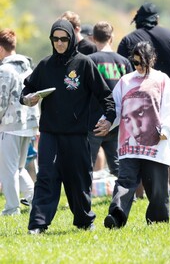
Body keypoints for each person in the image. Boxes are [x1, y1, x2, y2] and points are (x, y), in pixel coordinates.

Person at [20, 19, 116, 234]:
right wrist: (28, 99)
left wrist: (109, 119)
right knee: (46, 178)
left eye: (64, 39)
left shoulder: (84, 63)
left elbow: (105, 95)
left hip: (76, 134)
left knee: (78, 179)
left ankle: (84, 221)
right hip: (50, 134)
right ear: (51, 40)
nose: (60, 43)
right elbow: (25, 91)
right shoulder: (45, 65)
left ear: (71, 39)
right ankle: (37, 225)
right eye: (56, 39)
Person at [117, 2, 170, 195]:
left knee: (137, 146)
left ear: (137, 20)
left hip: (137, 104)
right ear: (157, 19)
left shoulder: (129, 40)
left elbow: (121, 71)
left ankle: (139, 193)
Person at [104, 41, 170, 229]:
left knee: (157, 188)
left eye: (142, 63)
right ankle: (116, 218)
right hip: (129, 146)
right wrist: (107, 122)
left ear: (151, 60)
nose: (138, 67)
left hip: (156, 145)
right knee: (125, 183)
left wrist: (166, 130)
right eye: (135, 62)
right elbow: (116, 108)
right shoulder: (125, 81)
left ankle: (158, 221)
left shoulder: (162, 80)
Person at [0, 28, 39, 216]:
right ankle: (34, 200)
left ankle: (11, 209)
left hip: (10, 125)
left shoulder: (4, 70)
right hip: (28, 124)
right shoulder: (27, 67)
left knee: (8, 170)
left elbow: (1, 100)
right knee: (19, 168)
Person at [88, 21, 132, 177]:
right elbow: (130, 92)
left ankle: (82, 200)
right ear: (111, 38)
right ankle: (127, 198)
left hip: (93, 122)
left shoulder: (89, 61)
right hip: (117, 121)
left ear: (93, 38)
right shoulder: (124, 62)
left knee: (87, 166)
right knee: (118, 167)